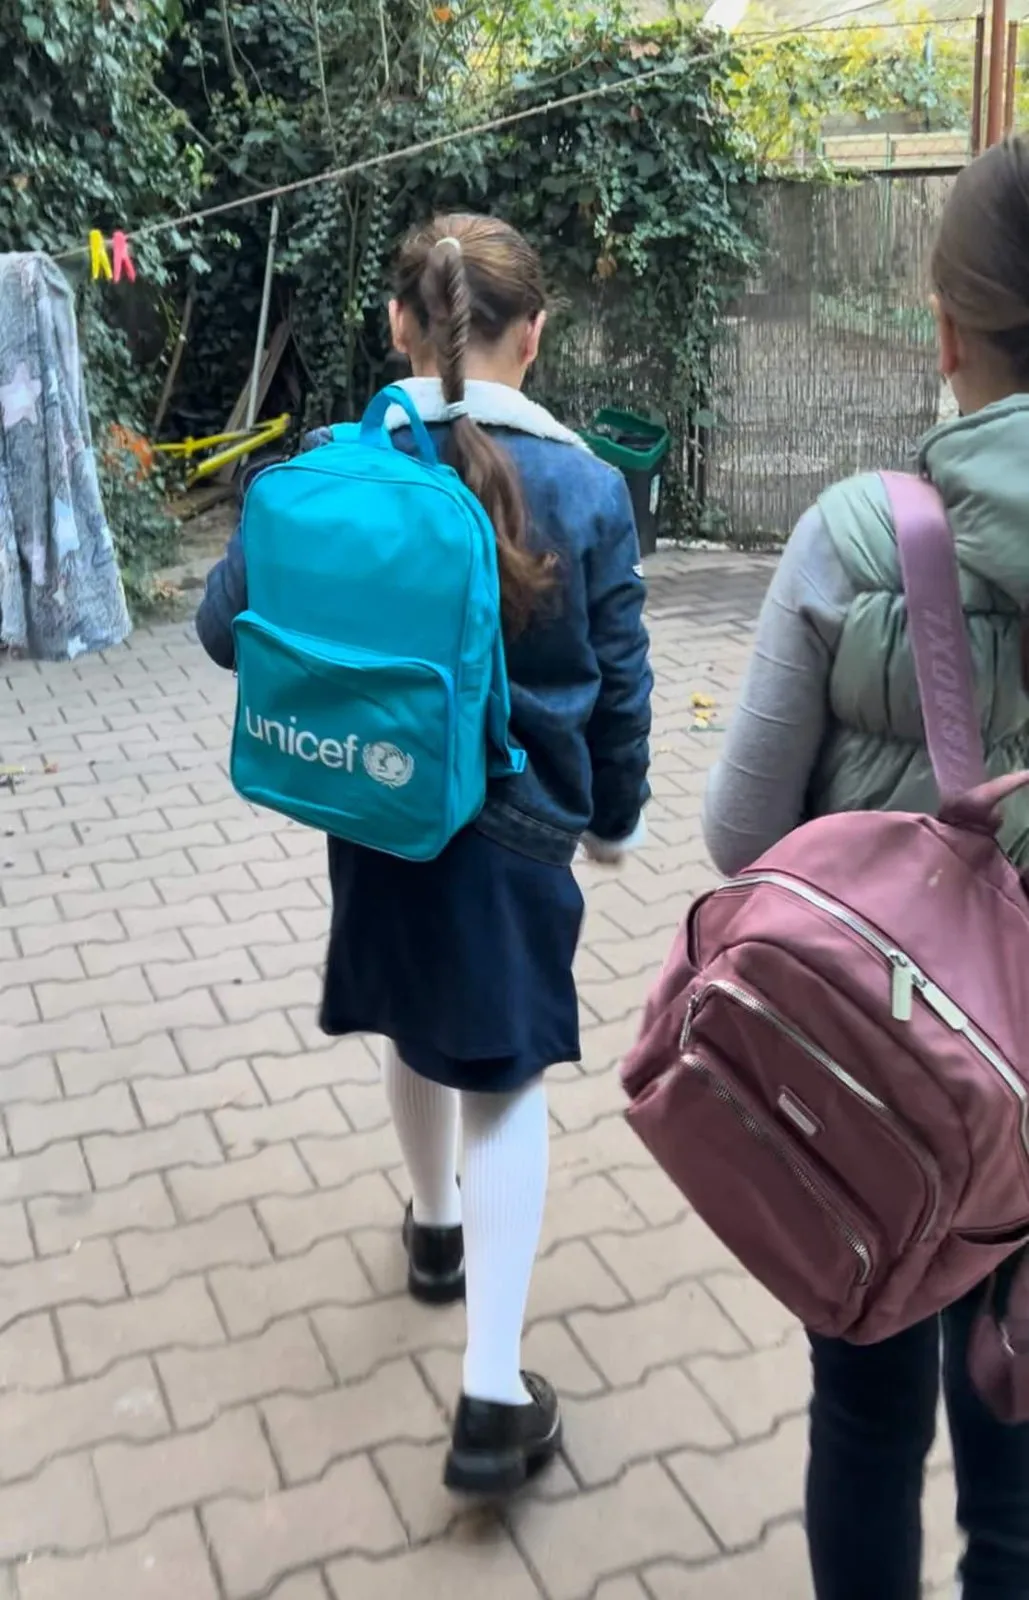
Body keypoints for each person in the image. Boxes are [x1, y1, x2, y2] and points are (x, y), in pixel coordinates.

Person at [196, 213, 652, 1494]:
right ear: (535, 336)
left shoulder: (342, 464)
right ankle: (493, 1398)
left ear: (397, 325)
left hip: (381, 813)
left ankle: (435, 1233)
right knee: (503, 1073)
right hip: (521, 832)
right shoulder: (590, 491)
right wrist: (617, 820)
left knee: (411, 1020)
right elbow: (622, 685)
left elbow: (224, 630)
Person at [701, 136, 1029, 1600]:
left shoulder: (854, 537)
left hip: (879, 1092)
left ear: (945, 331)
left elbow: (739, 836)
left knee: (866, 1417)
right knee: (1018, 1452)